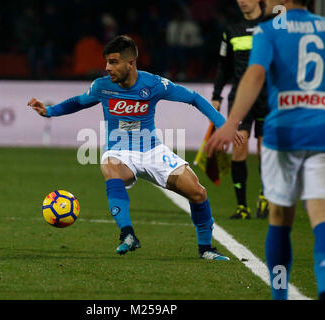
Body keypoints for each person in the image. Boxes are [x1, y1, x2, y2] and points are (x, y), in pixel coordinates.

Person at [28, 35, 243, 260]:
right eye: (107, 62)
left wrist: (223, 125)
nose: (107, 68)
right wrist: (49, 111)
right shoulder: (102, 86)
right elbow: (78, 102)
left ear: (130, 63)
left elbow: (194, 98)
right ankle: (127, 234)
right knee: (110, 168)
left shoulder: (153, 84)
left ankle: (206, 249)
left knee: (198, 193)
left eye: (113, 62)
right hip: (118, 151)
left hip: (152, 151)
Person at [206, 0, 325, 300]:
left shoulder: (269, 30)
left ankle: (280, 293)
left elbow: (255, 75)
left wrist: (231, 122)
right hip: (320, 130)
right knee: (320, 214)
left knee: (280, 217)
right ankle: (323, 285)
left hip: (283, 134)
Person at [211, 0, 269, 220]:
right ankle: (242, 206)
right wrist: (216, 95)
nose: (242, 1)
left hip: (267, 97)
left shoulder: (271, 26)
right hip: (241, 99)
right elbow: (223, 66)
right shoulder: (231, 31)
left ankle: (265, 196)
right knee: (239, 149)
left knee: (266, 152)